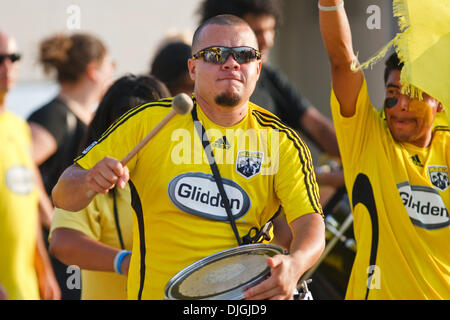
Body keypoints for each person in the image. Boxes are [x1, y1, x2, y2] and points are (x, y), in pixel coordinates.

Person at [52, 14, 325, 300]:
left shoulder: (282, 141)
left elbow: (309, 221)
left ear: (257, 68)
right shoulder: (149, 122)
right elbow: (62, 195)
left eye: (244, 55)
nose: (231, 63)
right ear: (193, 68)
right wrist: (88, 180)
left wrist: (296, 263)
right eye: (216, 54)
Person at [319, 0, 450, 299]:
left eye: (414, 93)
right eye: (393, 92)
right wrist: (330, 4)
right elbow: (342, 61)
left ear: (439, 103)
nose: (401, 103)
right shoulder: (366, 137)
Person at [48, 75, 170, 300]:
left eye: (146, 125)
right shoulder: (91, 178)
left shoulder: (180, 178)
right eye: (124, 126)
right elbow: (61, 242)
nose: (134, 135)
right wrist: (124, 261)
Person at [27, 32, 115, 300]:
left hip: (70, 247)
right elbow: (17, 164)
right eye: (111, 65)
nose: (113, 73)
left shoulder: (84, 117)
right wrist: (50, 218)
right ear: (93, 71)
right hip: (50, 248)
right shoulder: (55, 116)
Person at [197, 0, 341, 160]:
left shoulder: (269, 77)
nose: (267, 41)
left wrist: (360, 155)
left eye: (271, 30)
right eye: (257, 32)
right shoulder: (199, 85)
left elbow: (317, 127)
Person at [0, 30, 60, 300]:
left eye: (13, 57)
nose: (7, 67)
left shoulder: (18, 126)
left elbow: (28, 203)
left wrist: (44, 269)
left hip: (24, 285)